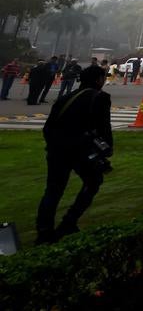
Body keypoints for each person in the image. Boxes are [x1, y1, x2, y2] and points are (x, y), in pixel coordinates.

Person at [36, 65, 112, 244]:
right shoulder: (100, 97)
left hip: (57, 150)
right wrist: (107, 149)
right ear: (98, 80)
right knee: (94, 182)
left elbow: (48, 128)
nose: (104, 81)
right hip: (81, 151)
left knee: (53, 190)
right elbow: (103, 127)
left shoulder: (65, 98)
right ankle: (69, 221)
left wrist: (54, 146)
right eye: (103, 78)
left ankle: (44, 231)